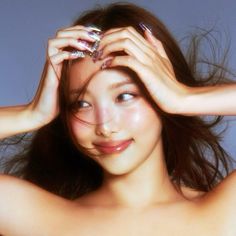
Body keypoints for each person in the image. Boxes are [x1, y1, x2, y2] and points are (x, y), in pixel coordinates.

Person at [0, 2, 236, 235]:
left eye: (124, 96)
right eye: (82, 104)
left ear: (160, 95)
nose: (105, 126)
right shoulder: (36, 220)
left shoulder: (222, 213)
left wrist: (182, 97)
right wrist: (31, 114)